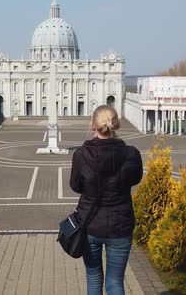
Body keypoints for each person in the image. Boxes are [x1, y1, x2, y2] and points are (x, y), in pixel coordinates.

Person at [70, 105, 143, 295]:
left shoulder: (81, 155)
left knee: (93, 278)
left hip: (90, 224)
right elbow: (135, 179)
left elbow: (76, 186)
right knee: (115, 282)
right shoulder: (132, 154)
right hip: (121, 225)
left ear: (92, 125)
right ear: (116, 124)